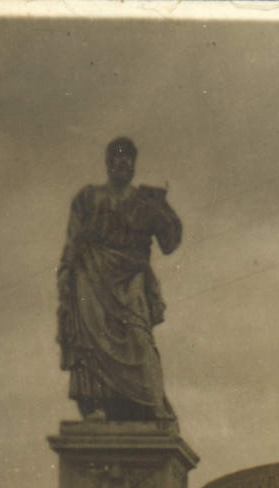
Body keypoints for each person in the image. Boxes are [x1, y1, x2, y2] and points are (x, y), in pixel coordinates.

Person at [57, 137, 183, 421]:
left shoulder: (143, 201)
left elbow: (169, 242)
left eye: (129, 158)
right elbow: (73, 240)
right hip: (92, 273)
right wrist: (65, 273)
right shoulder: (89, 198)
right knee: (93, 340)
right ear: (108, 162)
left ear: (134, 165)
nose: (124, 162)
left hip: (131, 276)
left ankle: (152, 402)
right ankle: (97, 405)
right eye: (118, 157)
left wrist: (162, 208)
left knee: (139, 336)